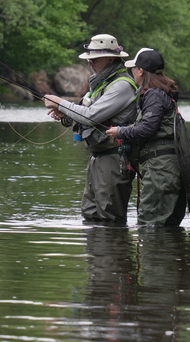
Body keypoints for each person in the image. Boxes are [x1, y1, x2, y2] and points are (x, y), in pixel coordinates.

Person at [44, 34, 138, 223]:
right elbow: (88, 113)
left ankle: (113, 252)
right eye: (89, 59)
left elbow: (90, 116)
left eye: (94, 59)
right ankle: (96, 253)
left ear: (111, 58)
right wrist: (67, 114)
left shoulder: (121, 85)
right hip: (98, 159)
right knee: (90, 216)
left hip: (115, 159)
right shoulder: (102, 83)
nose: (90, 64)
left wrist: (60, 103)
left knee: (109, 218)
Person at [105, 48, 187, 228]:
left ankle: (154, 256)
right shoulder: (162, 93)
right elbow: (151, 126)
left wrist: (120, 132)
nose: (131, 72)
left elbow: (147, 129)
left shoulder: (154, 95)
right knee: (165, 227)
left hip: (161, 172)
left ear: (141, 71)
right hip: (167, 169)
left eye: (133, 69)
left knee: (150, 226)